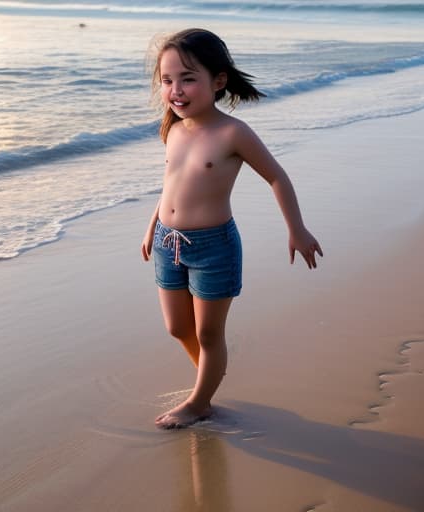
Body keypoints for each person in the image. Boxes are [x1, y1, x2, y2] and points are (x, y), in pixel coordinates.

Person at [141, 28, 323, 429]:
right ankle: (210, 374)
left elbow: (277, 177)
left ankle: (200, 401)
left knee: (208, 333)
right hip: (167, 242)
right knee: (177, 328)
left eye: (188, 78)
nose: (176, 90)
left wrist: (297, 229)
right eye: (167, 80)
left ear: (218, 80)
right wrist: (152, 224)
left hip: (213, 247)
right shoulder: (172, 128)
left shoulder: (232, 133)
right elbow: (171, 182)